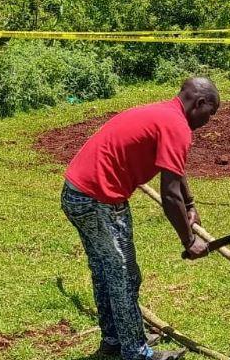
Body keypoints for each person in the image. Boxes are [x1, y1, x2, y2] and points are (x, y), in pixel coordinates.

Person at [61, 77, 221, 360]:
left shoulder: (163, 114)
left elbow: (175, 170)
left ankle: (116, 339)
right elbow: (169, 194)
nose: (210, 120)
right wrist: (189, 240)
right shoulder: (177, 127)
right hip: (98, 200)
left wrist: (191, 204)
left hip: (77, 194)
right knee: (123, 275)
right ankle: (136, 352)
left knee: (105, 271)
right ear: (200, 103)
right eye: (212, 112)